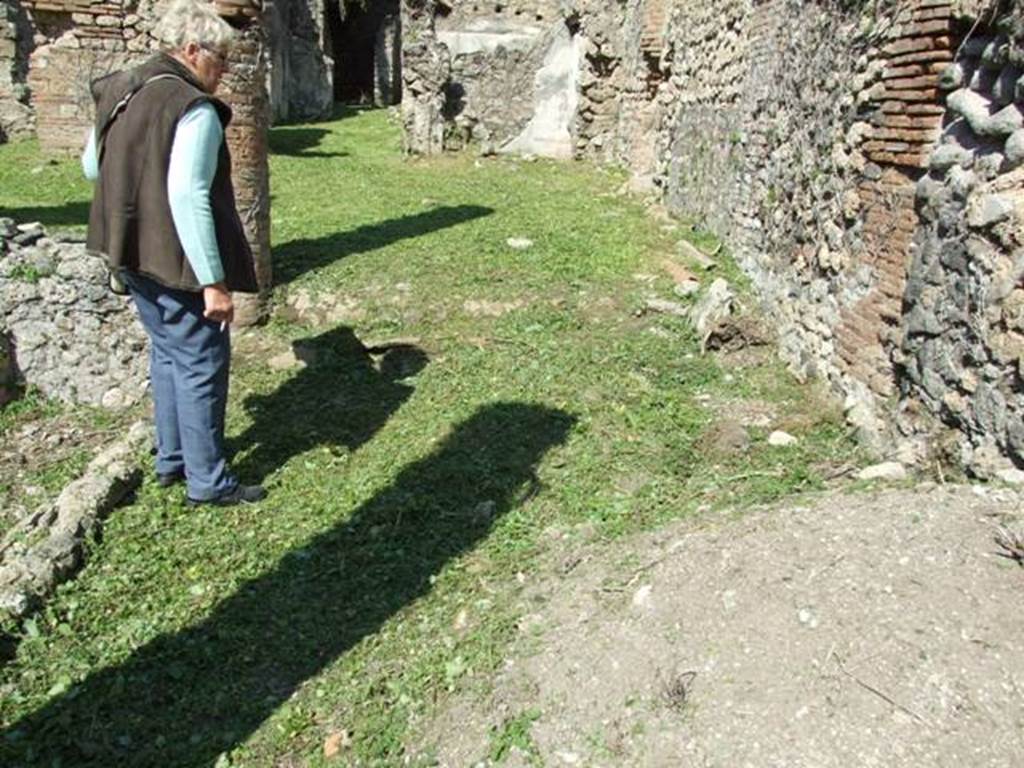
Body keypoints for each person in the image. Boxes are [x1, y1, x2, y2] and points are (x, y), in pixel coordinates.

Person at [82, 0, 265, 507]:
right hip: (175, 261)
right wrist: (213, 280)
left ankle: (172, 459)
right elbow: (188, 195)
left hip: (126, 250)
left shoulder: (119, 86)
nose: (223, 72)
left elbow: (91, 168)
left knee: (167, 353)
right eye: (219, 59)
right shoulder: (192, 107)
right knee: (202, 360)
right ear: (191, 50)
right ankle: (207, 481)